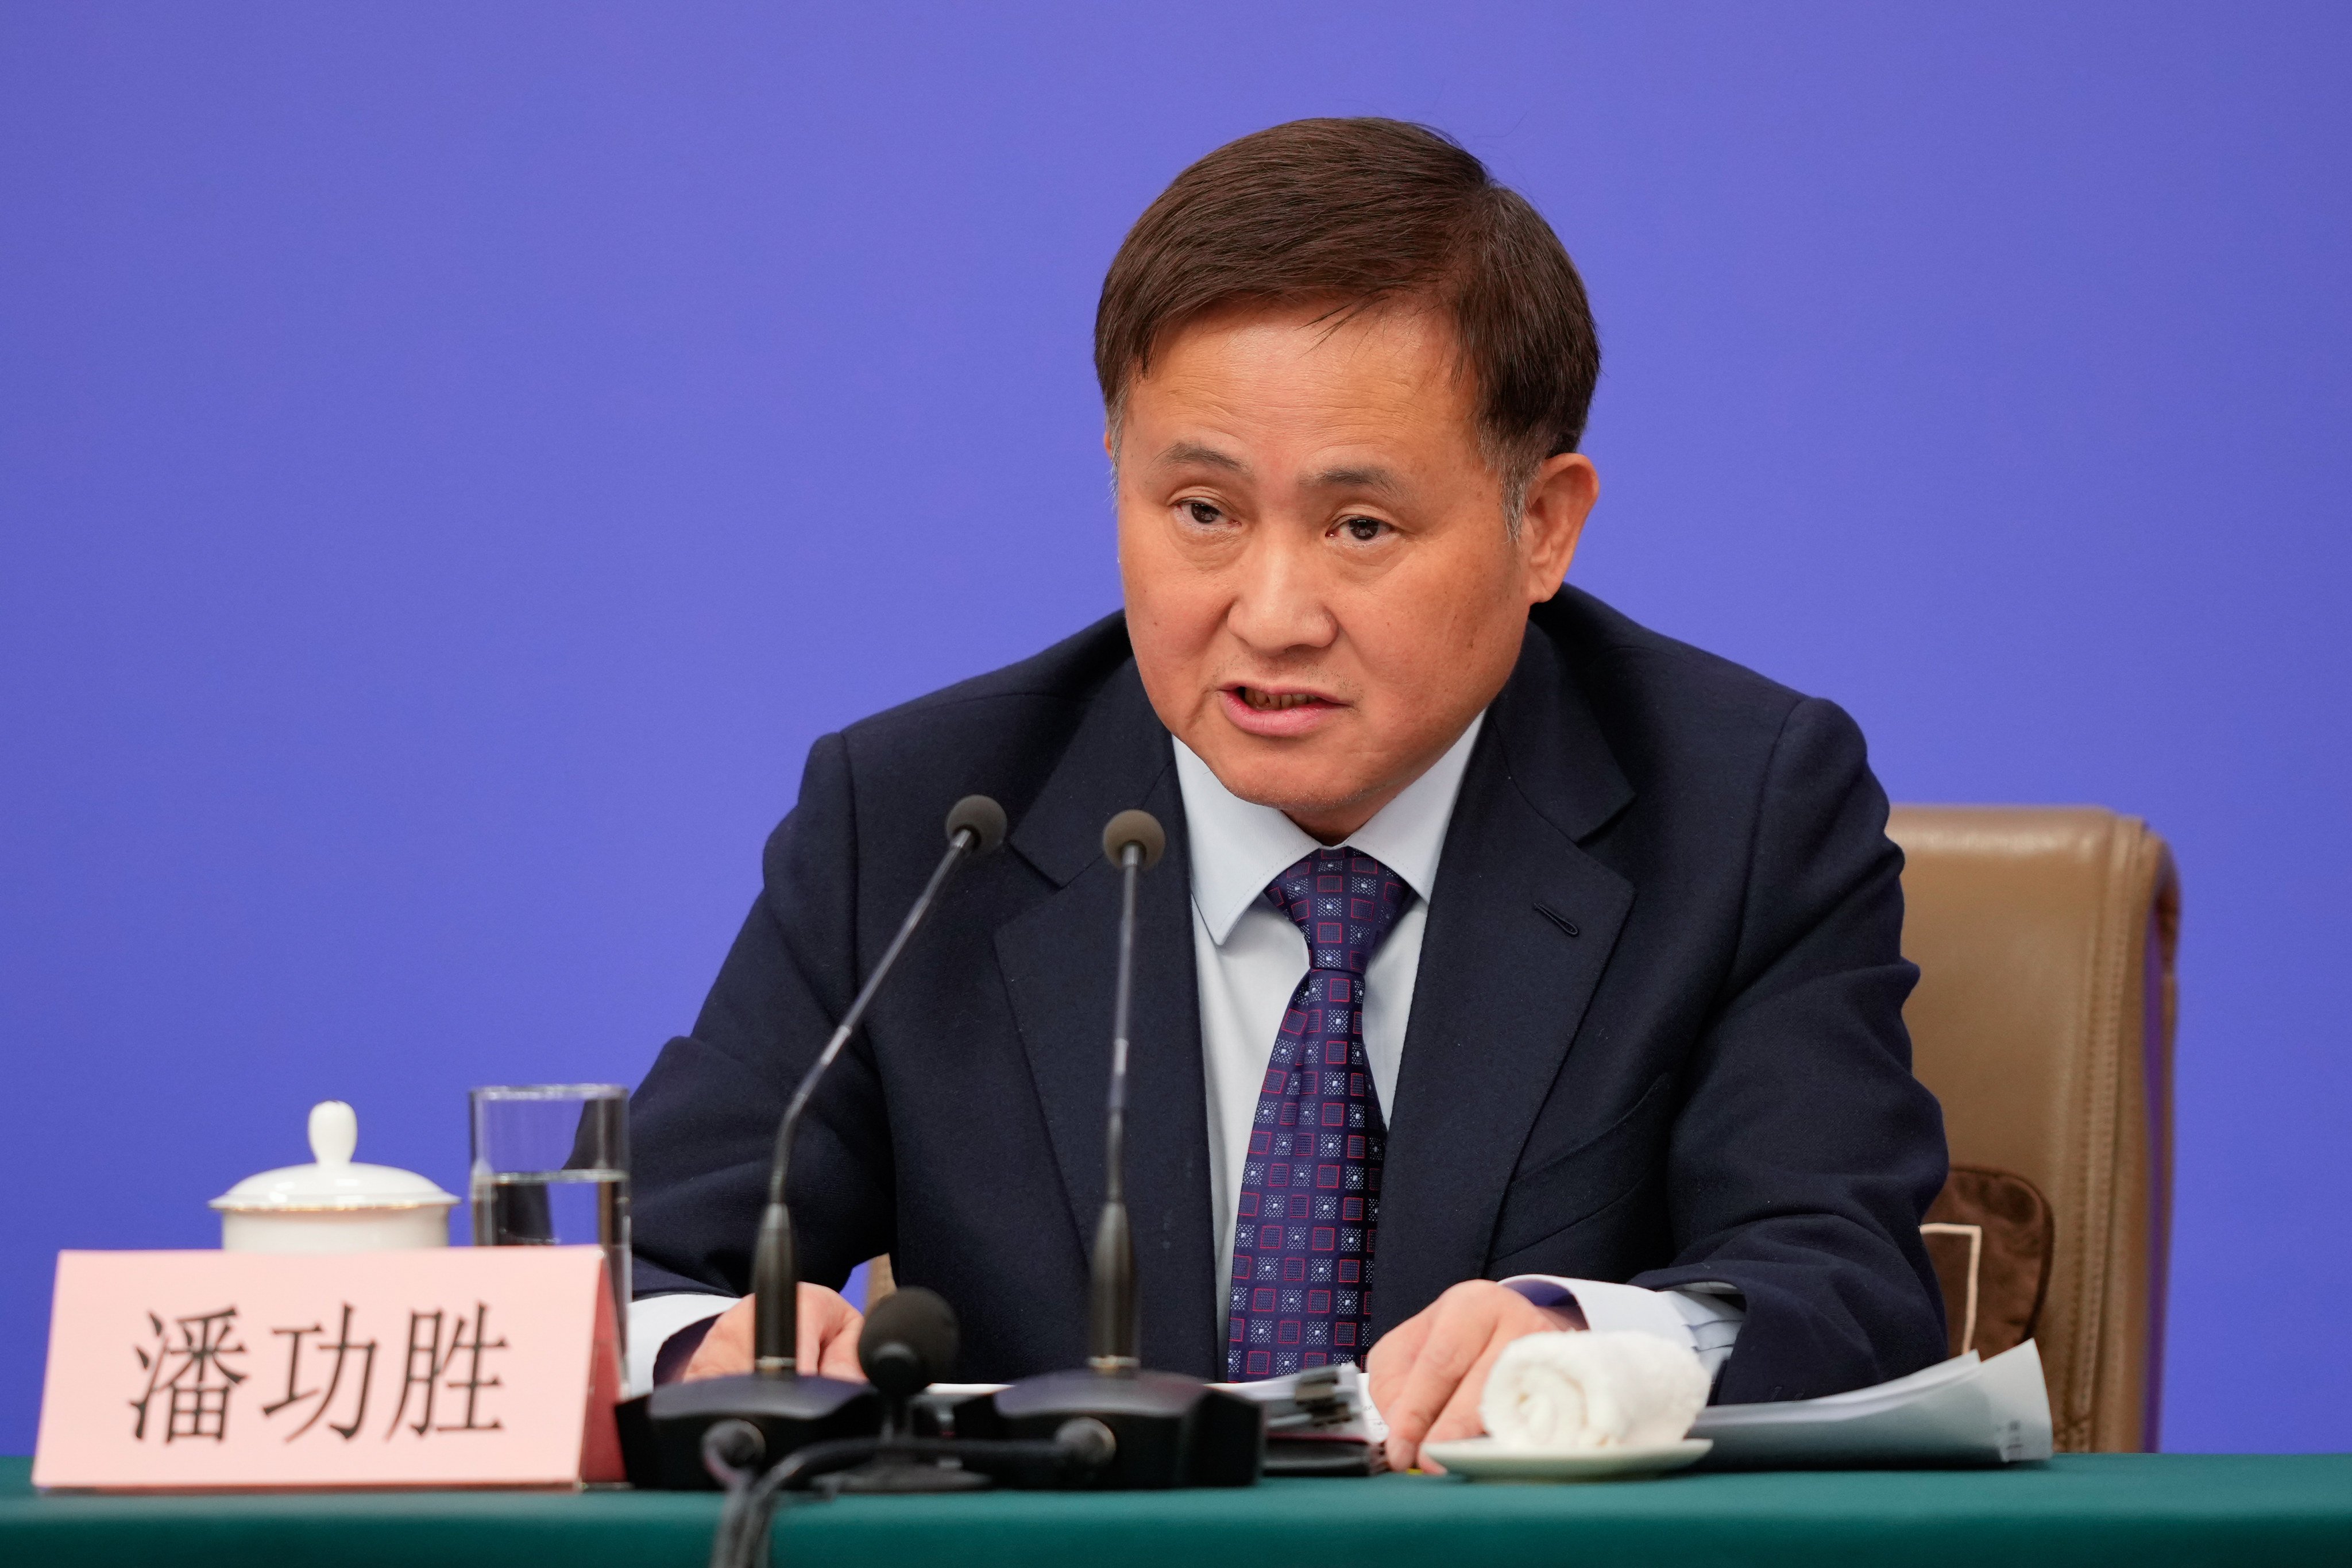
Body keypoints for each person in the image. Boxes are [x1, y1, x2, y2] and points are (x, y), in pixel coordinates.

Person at [627, 117, 1949, 1472]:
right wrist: (707, 1341)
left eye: (1358, 527)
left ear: (1541, 524)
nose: (1268, 615)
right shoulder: (926, 820)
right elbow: (651, 1264)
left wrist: (1591, 1339)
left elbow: (1844, 1287)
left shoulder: (1736, 808)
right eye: (1199, 511)